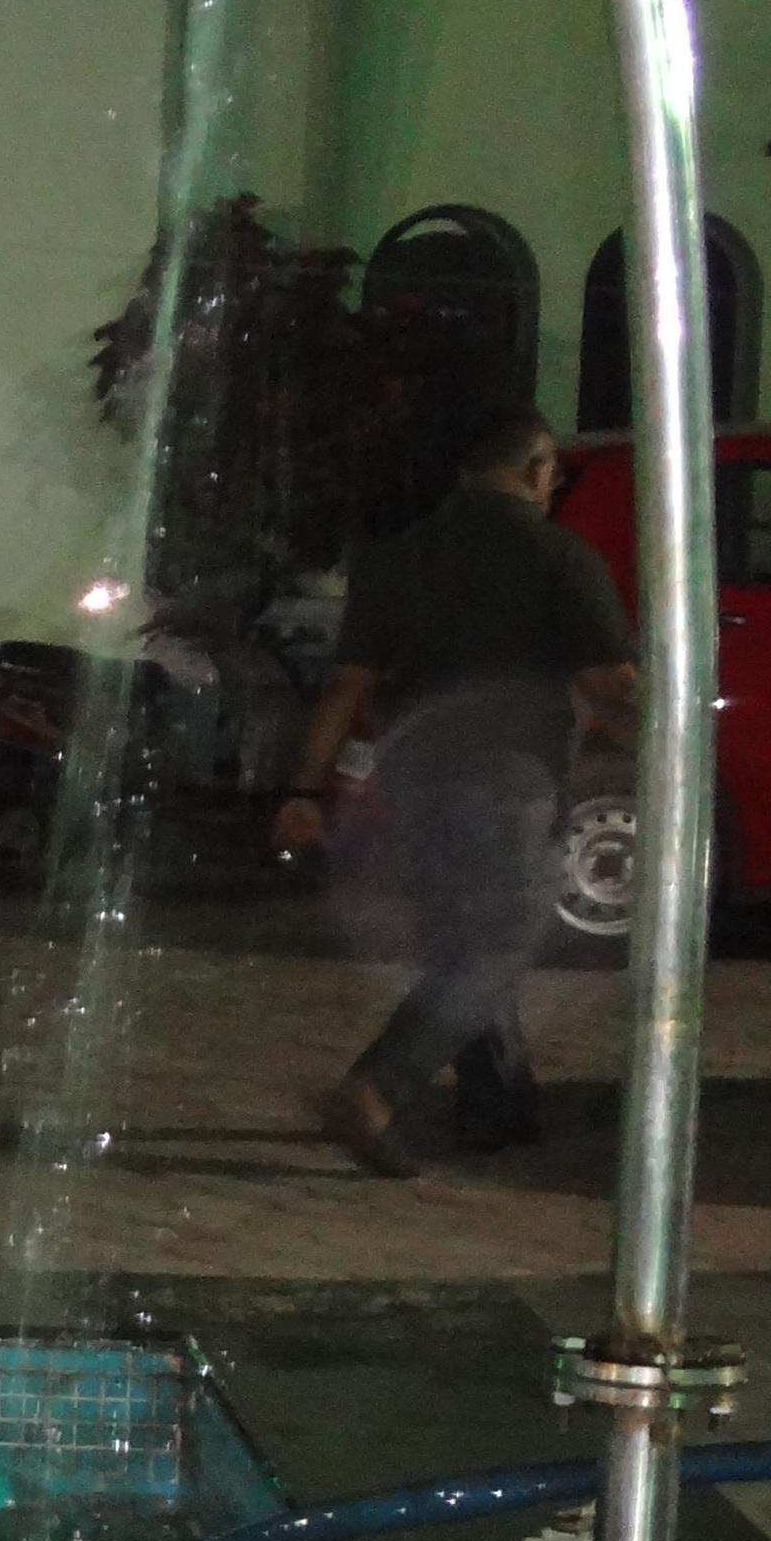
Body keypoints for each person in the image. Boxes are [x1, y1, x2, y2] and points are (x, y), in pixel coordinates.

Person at [274, 405, 639, 1177]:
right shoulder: (560, 557)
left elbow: (347, 685)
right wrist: (664, 741)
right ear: (537, 469)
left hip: (411, 777)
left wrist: (305, 787)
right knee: (500, 942)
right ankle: (380, 1085)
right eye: (554, 472)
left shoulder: (398, 558)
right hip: (509, 778)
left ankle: (495, 1107)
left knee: (464, 940)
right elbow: (609, 685)